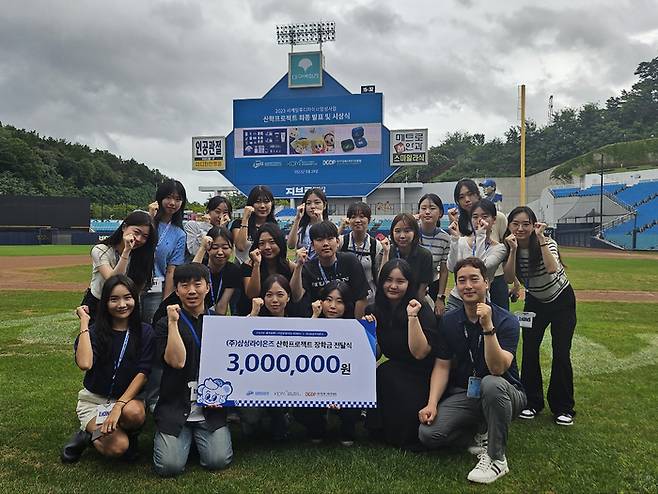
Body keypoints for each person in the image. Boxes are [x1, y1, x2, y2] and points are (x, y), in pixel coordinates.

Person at [418, 257, 526, 484]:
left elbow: (497, 368)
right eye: (462, 280)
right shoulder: (449, 321)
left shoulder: (505, 320)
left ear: (486, 283)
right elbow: (442, 364)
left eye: (474, 279)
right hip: (468, 393)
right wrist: (432, 403)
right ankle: (479, 431)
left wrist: (487, 327)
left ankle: (497, 459)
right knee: (428, 435)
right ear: (456, 286)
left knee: (491, 383)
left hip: (505, 392)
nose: (468, 286)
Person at [61, 275, 154, 463]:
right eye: (114, 299)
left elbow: (143, 374)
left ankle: (120, 432)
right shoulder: (95, 331)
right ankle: (88, 436)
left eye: (127, 297)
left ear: (135, 299)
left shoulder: (145, 331)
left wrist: (119, 406)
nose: (122, 304)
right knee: (118, 447)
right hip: (95, 401)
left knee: (135, 414)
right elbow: (85, 363)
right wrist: (84, 324)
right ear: (105, 303)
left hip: (127, 400)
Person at [152, 263, 232, 477]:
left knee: (218, 460)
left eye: (198, 284)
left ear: (208, 287)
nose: (192, 291)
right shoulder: (163, 324)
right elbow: (176, 362)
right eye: (184, 286)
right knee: (169, 467)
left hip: (210, 410)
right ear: (176, 290)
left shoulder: (220, 324)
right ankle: (182, 439)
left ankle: (197, 441)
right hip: (176, 407)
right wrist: (172, 323)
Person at [503, 206, 577, 426]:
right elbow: (508, 277)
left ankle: (563, 407)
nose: (520, 228)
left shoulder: (547, 243)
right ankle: (531, 402)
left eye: (526, 223)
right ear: (509, 226)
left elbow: (553, 268)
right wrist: (514, 251)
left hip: (562, 299)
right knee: (529, 350)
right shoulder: (510, 248)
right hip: (535, 301)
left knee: (561, 352)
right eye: (515, 223)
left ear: (534, 225)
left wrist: (541, 239)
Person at [366, 259, 437, 449]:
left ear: (409, 284)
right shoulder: (374, 310)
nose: (393, 286)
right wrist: (368, 332)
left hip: (423, 371)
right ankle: (378, 429)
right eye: (388, 280)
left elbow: (421, 353)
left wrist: (412, 317)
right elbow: (375, 354)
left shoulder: (421, 308)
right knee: (383, 373)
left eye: (400, 281)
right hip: (395, 366)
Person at [295, 281, 362, 446]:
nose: (333, 306)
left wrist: (368, 331)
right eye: (328, 300)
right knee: (303, 408)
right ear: (321, 301)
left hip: (345, 382)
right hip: (315, 383)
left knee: (352, 404)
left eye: (339, 302)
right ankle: (317, 426)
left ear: (347, 305)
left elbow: (372, 355)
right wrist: (314, 317)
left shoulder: (354, 328)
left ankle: (348, 428)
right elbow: (300, 352)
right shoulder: (311, 321)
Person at [449, 179, 519, 310]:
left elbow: (507, 250)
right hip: (471, 280)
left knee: (498, 320)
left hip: (496, 277)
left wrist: (515, 282)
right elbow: (456, 261)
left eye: (470, 194)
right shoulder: (461, 222)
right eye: (461, 197)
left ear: (478, 194)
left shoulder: (498, 217)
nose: (467, 200)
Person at [240, 274, 293, 441]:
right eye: (269, 295)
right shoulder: (255, 319)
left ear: (289, 297)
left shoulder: (297, 323)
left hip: (285, 384)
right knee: (251, 420)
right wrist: (254, 313)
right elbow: (236, 340)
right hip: (255, 384)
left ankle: (282, 417)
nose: (274, 300)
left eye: (280, 294)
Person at [81, 210, 155, 323]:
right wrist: (126, 251)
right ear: (124, 227)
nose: (139, 239)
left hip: (125, 306)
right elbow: (114, 281)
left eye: (145, 236)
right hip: (98, 303)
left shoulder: (142, 255)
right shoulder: (101, 250)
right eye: (136, 232)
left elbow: (139, 286)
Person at [291, 221, 369, 318]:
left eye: (330, 239)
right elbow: (296, 296)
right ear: (312, 245)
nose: (325, 244)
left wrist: (358, 326)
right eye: (320, 240)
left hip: (348, 323)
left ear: (337, 242)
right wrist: (298, 266)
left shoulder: (350, 262)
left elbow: (361, 297)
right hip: (319, 324)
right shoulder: (307, 268)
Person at [445, 199, 507, 312]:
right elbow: (451, 267)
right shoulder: (462, 241)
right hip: (457, 300)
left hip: (481, 301)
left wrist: (481, 235)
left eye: (484, 216)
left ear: (494, 220)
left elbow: (479, 267)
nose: (479, 220)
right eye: (475, 217)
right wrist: (454, 239)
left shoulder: (499, 249)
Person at [142, 180, 187, 324]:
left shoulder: (179, 234)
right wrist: (150, 219)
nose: (173, 203)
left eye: (178, 199)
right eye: (169, 197)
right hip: (134, 282)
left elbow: (171, 271)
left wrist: (165, 302)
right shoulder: (144, 221)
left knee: (152, 326)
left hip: (157, 289)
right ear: (159, 198)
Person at [238, 223, 301, 316]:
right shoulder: (248, 266)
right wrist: (257, 265)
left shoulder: (290, 267)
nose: (267, 247)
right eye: (262, 243)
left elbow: (296, 297)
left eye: (272, 242)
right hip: (253, 315)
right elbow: (252, 294)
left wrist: (299, 267)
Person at [338, 202, 383, 304]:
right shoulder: (341, 242)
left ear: (369, 220)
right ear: (349, 220)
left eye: (362, 217)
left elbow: (378, 273)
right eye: (353, 217)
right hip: (345, 299)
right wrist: (341, 228)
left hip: (369, 299)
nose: (358, 220)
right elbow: (327, 243)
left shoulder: (376, 245)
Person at [417, 193, 450, 316]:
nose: (427, 212)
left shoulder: (445, 238)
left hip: (433, 285)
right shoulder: (411, 232)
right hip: (411, 284)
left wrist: (440, 297)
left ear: (440, 213)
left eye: (432, 208)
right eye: (423, 208)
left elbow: (444, 271)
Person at [388, 213, 434, 301]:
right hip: (391, 302)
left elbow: (422, 289)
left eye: (407, 231)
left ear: (415, 232)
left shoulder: (425, 255)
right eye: (397, 231)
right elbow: (382, 281)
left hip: (415, 302)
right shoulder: (388, 251)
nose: (402, 236)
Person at [230, 185, 277, 264]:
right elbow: (240, 246)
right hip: (241, 270)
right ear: (251, 204)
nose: (262, 206)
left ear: (271, 204)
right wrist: (245, 219)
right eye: (258, 202)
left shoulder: (274, 226)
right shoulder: (238, 224)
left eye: (266, 201)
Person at [287, 188, 329, 259]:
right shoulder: (301, 227)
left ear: (324, 205)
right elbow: (291, 245)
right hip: (303, 266)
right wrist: (297, 219)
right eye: (308, 203)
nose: (312, 206)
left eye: (317, 202)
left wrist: (320, 221)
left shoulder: (330, 227)